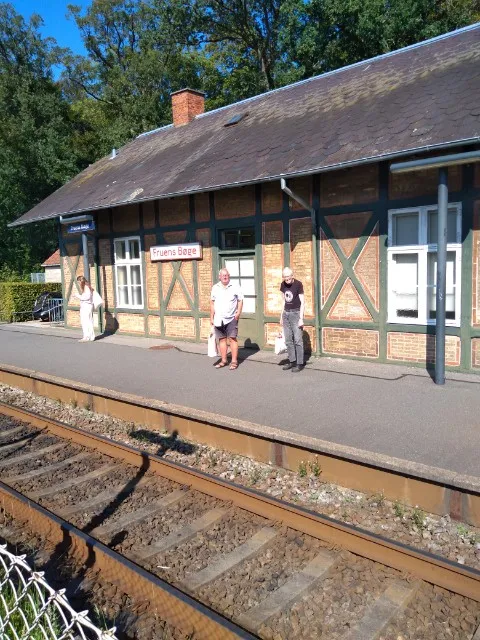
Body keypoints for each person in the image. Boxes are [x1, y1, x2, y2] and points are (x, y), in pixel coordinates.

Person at [210, 268, 244, 370]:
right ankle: (224, 360)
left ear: (229, 276)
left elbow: (240, 300)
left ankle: (234, 361)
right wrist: (211, 317)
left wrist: (238, 313)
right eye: (223, 275)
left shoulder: (235, 286)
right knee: (221, 339)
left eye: (226, 275)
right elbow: (212, 303)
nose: (225, 277)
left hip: (231, 318)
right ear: (219, 277)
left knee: (232, 339)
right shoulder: (215, 287)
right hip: (218, 319)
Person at [280, 267, 304, 372]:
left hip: (296, 313)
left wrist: (301, 318)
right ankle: (292, 361)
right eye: (285, 278)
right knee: (288, 340)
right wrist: (281, 316)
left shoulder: (298, 284)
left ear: (292, 275)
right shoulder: (283, 285)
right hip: (286, 313)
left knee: (298, 340)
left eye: (288, 277)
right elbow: (283, 301)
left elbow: (303, 302)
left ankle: (299, 363)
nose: (287, 280)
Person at [74, 275, 95, 342]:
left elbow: (87, 297)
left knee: (85, 321)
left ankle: (87, 336)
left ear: (81, 281)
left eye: (78, 282)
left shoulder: (86, 287)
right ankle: (90, 336)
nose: (78, 283)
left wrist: (78, 296)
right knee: (88, 321)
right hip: (87, 306)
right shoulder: (87, 287)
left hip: (86, 306)